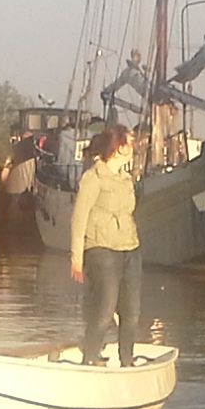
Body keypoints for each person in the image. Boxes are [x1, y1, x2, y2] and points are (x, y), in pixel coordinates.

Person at [68, 123, 144, 365]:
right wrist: (77, 259)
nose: (132, 147)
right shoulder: (93, 178)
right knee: (104, 309)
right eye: (128, 142)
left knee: (131, 312)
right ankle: (90, 356)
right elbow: (79, 218)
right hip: (101, 248)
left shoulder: (126, 180)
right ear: (117, 147)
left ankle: (127, 359)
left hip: (129, 247)